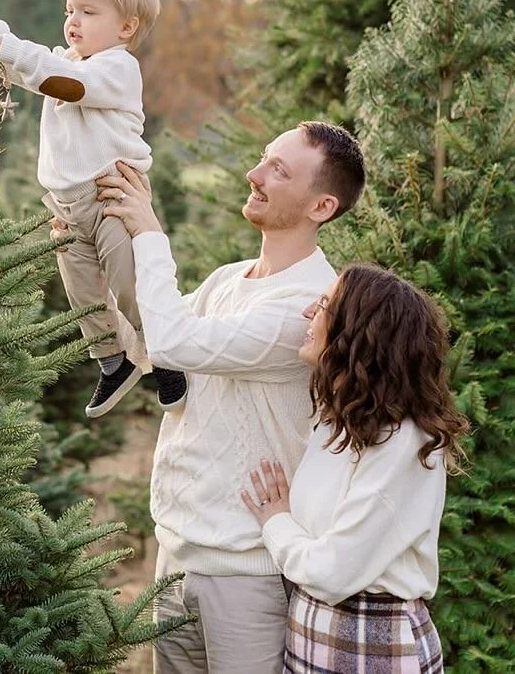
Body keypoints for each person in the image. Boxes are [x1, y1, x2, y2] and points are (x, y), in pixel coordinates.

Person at [94, 121, 367, 673]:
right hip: (176, 555)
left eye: (279, 170)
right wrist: (86, 250)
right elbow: (148, 340)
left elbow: (173, 341)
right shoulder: (227, 280)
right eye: (264, 159)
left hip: (246, 574)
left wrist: (149, 231)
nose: (255, 174)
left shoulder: (309, 306)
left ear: (322, 206)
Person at [0, 0, 186, 418]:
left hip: (112, 196)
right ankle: (115, 361)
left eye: (88, 12)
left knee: (129, 284)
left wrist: (12, 46)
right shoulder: (66, 62)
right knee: (83, 294)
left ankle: (166, 355)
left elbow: (64, 84)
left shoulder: (117, 69)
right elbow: (33, 68)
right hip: (66, 207)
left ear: (126, 27)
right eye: (69, 10)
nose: (73, 21)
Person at [240, 263, 469, 673]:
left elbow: (331, 573)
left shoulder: (405, 444)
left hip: (373, 642)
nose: (310, 311)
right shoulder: (338, 424)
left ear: (360, 331)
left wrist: (276, 522)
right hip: (313, 633)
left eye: (325, 303)